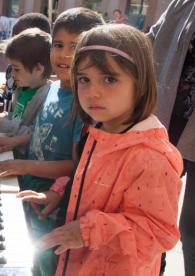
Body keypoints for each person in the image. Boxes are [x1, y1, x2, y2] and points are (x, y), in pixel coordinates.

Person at [18, 24, 183, 276]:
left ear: (140, 84)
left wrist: (88, 230)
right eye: (84, 79)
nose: (92, 92)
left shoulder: (151, 157)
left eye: (109, 79)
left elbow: (160, 233)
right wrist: (60, 192)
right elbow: (89, 177)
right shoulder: (99, 130)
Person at [0, 8, 104, 276]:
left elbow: (74, 166)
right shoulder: (49, 88)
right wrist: (14, 141)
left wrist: (25, 166)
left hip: (50, 201)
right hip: (29, 185)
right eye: (59, 45)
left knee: (43, 260)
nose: (64, 54)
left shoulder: (83, 104)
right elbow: (40, 132)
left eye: (76, 46)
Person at [148, 1, 195, 275]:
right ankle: (148, 269)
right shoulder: (186, 4)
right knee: (147, 214)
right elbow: (147, 43)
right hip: (165, 124)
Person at [0, 28, 52, 145]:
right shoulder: (22, 89)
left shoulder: (46, 99)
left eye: (16, 69)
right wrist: (4, 115)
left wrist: (4, 125)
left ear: (38, 69)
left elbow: (36, 134)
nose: (12, 73)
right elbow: (20, 117)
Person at [0, 13, 51, 112]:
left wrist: (5, 110)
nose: (14, 41)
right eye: (13, 37)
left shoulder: (34, 78)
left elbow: (22, 111)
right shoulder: (15, 68)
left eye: (19, 38)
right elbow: (9, 85)